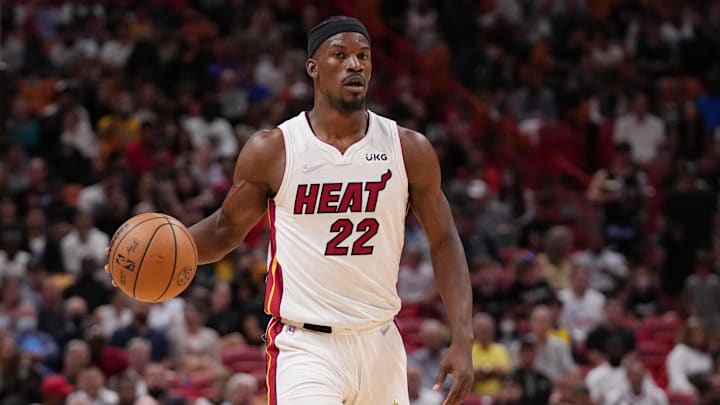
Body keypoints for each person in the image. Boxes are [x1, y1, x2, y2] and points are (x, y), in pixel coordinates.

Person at [106, 15, 473, 405]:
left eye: (363, 56)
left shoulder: (408, 149)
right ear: (313, 67)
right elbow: (224, 230)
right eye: (341, 54)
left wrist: (463, 337)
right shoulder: (275, 150)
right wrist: (154, 257)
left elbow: (445, 240)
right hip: (306, 348)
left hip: (380, 340)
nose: (355, 64)